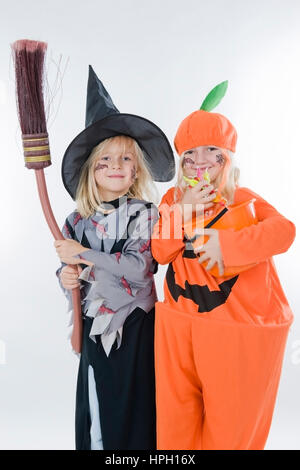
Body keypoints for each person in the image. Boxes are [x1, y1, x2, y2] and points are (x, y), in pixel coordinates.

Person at [151, 81, 295, 450]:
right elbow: (160, 252)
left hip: (231, 331)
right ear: (182, 162)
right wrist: (181, 212)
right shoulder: (172, 198)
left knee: (230, 427)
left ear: (226, 159)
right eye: (191, 155)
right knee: (176, 423)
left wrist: (226, 244)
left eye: (212, 152)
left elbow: (284, 231)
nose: (201, 162)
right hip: (178, 325)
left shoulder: (242, 199)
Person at [54, 66, 175, 450]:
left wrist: (83, 254)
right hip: (94, 327)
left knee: (138, 409)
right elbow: (67, 268)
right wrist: (66, 276)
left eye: (124, 159)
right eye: (105, 160)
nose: (115, 167)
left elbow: (140, 268)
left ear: (136, 166)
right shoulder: (75, 220)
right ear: (92, 169)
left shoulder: (146, 213)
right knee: (97, 406)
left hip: (137, 327)